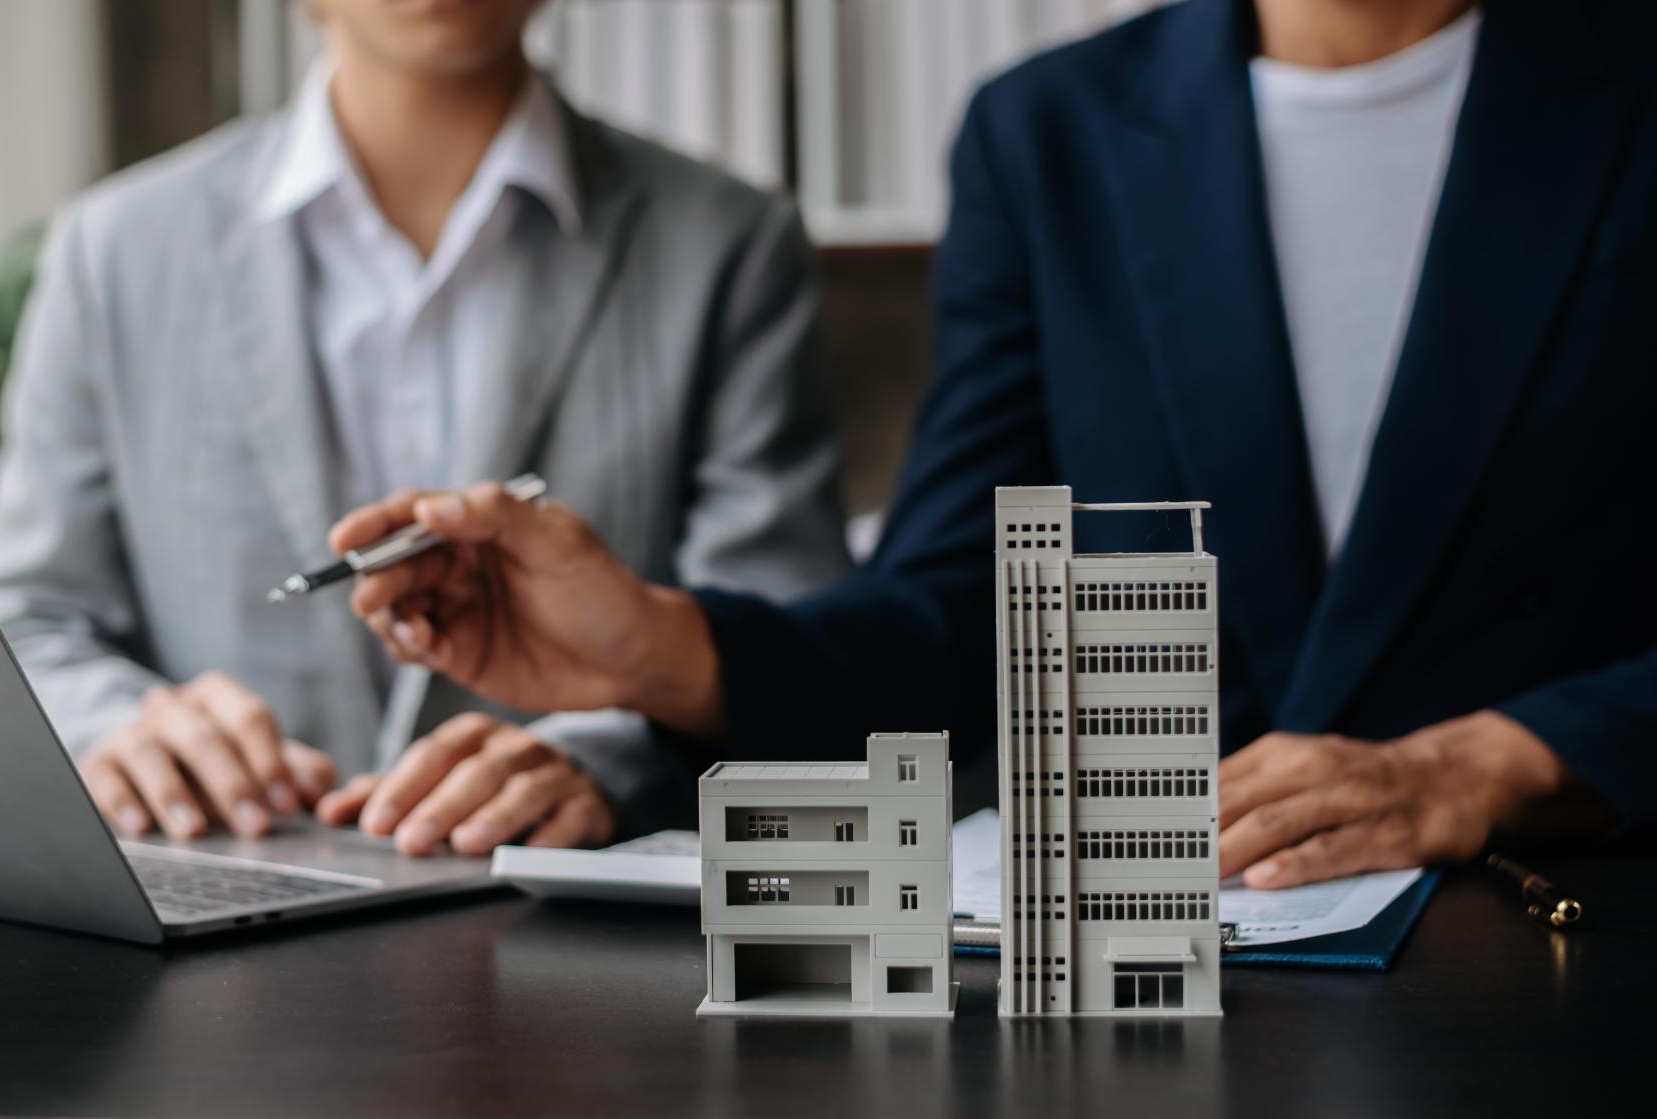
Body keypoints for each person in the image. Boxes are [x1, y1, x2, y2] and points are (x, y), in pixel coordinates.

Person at [335, 0, 1656, 886]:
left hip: (1573, 952)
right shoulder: (1051, 135)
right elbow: (956, 618)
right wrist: (660, 645)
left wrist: (1495, 759)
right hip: (1188, 984)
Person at [0, 0, 850, 856]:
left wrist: (604, 760)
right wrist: (118, 724)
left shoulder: (728, 243)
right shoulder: (117, 246)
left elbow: (784, 630)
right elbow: (26, 616)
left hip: (566, 939)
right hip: (224, 903)